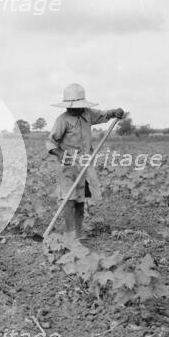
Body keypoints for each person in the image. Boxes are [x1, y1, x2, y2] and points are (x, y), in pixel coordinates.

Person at [46, 83, 124, 242]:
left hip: (84, 165)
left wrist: (114, 112)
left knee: (80, 200)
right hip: (67, 167)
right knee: (68, 200)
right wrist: (60, 153)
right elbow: (50, 142)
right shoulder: (62, 120)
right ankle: (69, 235)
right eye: (70, 107)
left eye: (77, 107)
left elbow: (104, 115)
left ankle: (79, 233)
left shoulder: (87, 114)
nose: (73, 109)